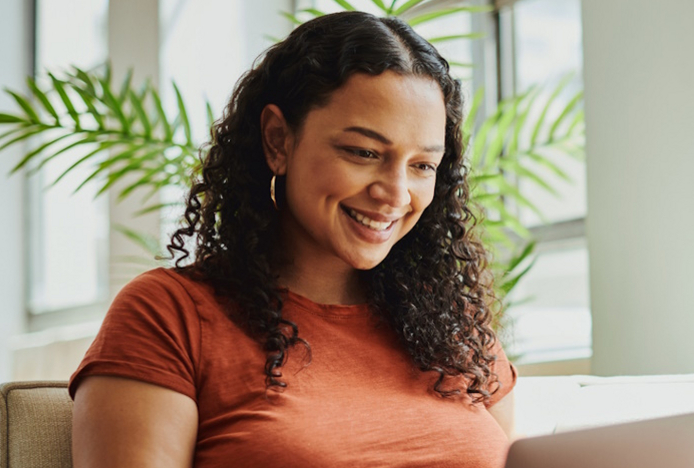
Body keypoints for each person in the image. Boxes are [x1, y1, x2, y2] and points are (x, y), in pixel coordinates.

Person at [68, 11, 517, 468]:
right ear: (278, 140)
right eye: (363, 152)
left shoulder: (456, 329)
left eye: (422, 165)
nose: (396, 194)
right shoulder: (168, 316)